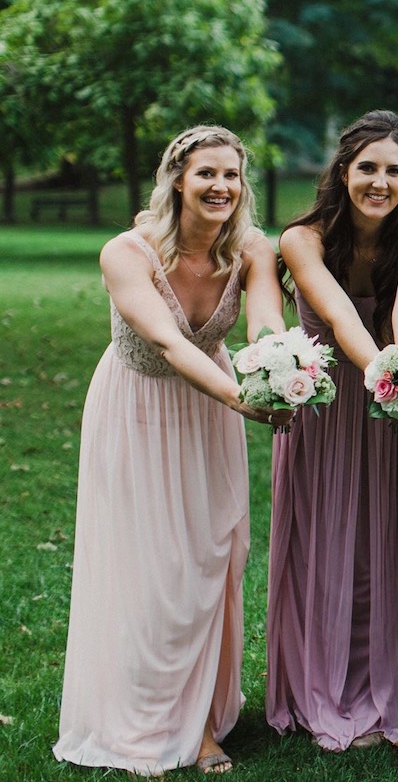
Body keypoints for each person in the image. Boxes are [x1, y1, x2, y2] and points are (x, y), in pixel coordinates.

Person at [54, 127, 292, 776]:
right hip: (137, 410)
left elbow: (265, 319)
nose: (221, 186)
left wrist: (276, 366)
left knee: (212, 558)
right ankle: (138, 722)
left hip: (207, 416)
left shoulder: (250, 249)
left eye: (232, 175)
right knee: (149, 565)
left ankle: (203, 726)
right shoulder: (126, 252)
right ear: (177, 180)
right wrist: (243, 399)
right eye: (207, 174)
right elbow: (167, 342)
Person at [266, 110, 398, 751]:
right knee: (322, 541)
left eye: (393, 170)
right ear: (343, 172)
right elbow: (340, 317)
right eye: (368, 167)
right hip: (325, 401)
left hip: (388, 403)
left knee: (382, 543)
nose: (380, 181)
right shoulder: (302, 238)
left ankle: (382, 683)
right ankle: (320, 689)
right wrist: (389, 374)